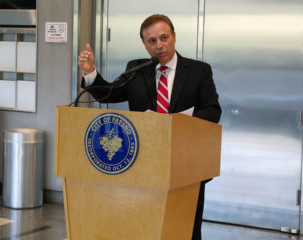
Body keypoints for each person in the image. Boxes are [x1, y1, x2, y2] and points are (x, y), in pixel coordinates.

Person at [78, 14, 221, 240]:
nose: (159, 45)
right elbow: (111, 93)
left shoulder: (199, 71)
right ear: (145, 44)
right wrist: (90, 72)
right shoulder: (137, 68)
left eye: (164, 38)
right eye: (151, 41)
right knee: (146, 224)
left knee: (185, 227)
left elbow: (212, 111)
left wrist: (178, 125)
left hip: (185, 162)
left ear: (174, 37)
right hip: (144, 162)